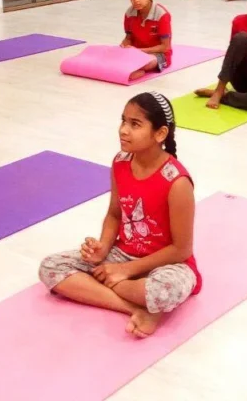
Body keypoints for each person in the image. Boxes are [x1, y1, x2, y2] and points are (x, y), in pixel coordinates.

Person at [38, 92, 198, 338]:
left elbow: (182, 250)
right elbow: (115, 214)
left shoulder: (177, 182)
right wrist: (103, 247)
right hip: (122, 255)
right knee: (50, 267)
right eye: (123, 121)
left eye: (135, 124)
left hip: (166, 263)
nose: (123, 130)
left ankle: (119, 290)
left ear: (160, 134)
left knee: (162, 292)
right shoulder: (121, 162)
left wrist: (125, 271)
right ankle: (134, 308)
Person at [121, 0, 172, 81]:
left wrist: (140, 51)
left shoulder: (161, 15)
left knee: (148, 62)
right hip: (136, 53)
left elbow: (165, 47)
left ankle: (135, 69)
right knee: (116, 59)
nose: (136, 0)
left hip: (158, 55)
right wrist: (123, 48)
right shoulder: (129, 13)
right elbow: (128, 38)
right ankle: (131, 69)